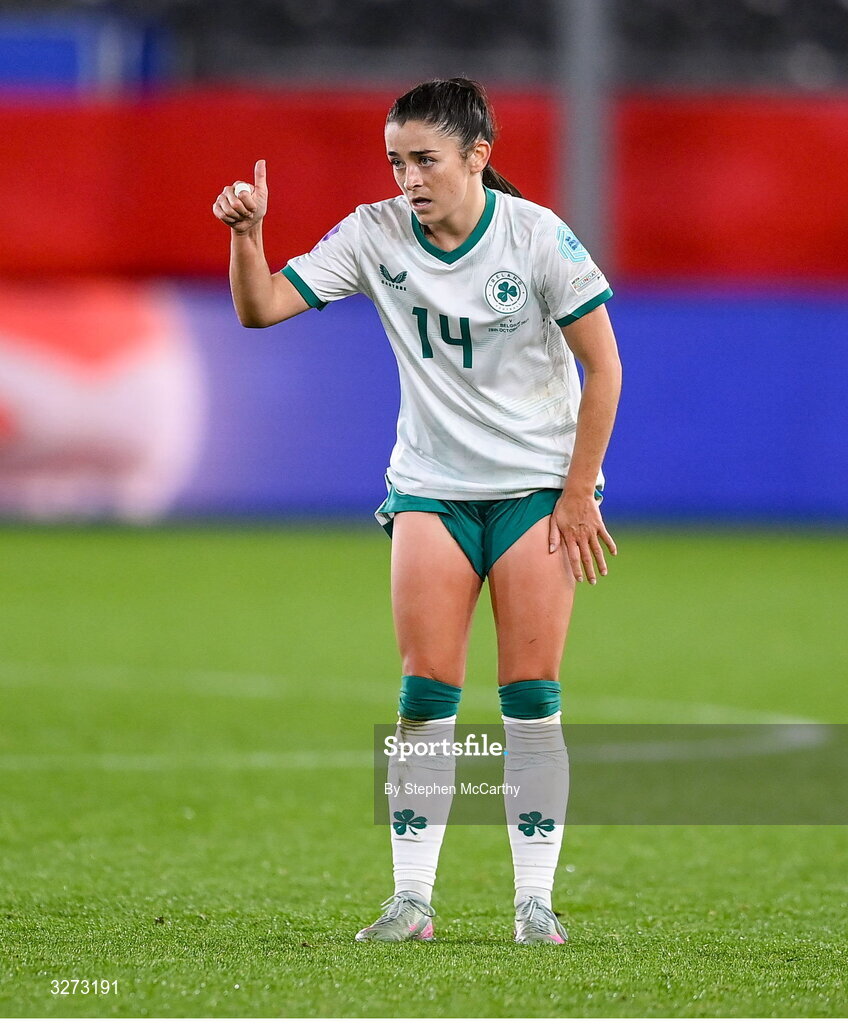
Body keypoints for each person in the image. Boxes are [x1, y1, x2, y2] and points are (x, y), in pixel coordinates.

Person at [213, 78, 621, 945]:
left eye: (425, 160)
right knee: (424, 696)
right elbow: (260, 310)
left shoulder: (537, 237)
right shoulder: (374, 234)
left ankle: (534, 903)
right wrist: (249, 237)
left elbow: (605, 368)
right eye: (396, 161)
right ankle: (411, 901)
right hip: (432, 487)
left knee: (530, 698)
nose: (408, 177)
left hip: (534, 494)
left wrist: (580, 490)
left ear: (478, 156)